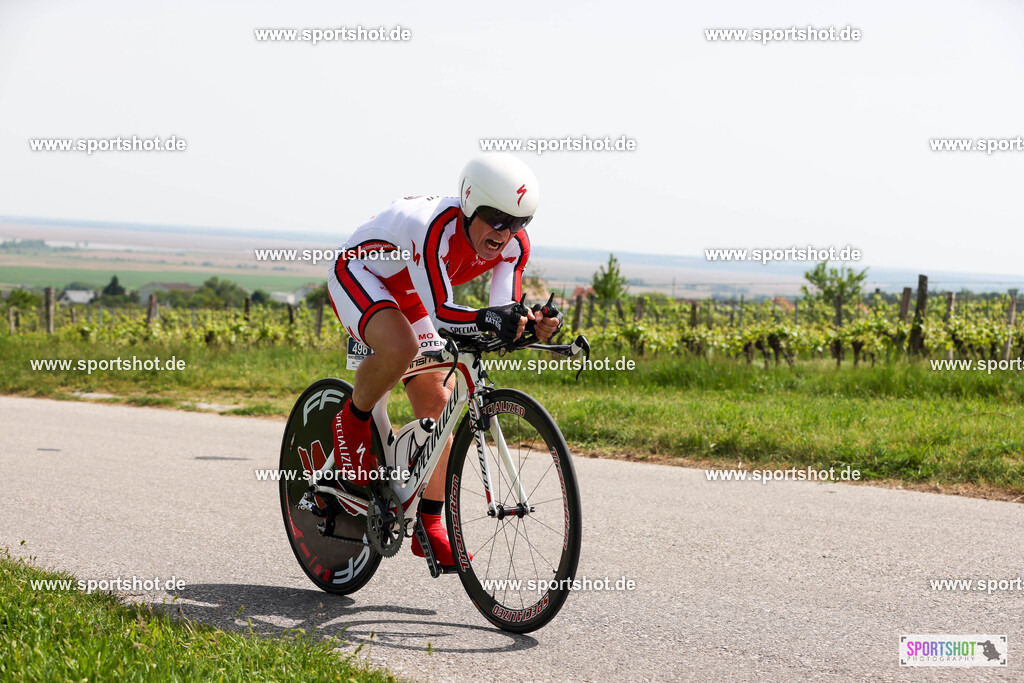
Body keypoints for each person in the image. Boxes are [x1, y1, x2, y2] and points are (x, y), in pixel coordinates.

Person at [327, 153, 561, 566]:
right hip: (362, 273)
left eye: (518, 222)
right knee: (401, 348)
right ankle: (351, 418)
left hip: (412, 290)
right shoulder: (433, 228)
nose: (504, 232)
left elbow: (500, 309)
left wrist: (528, 323)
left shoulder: (513, 246)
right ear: (470, 205)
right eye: (495, 218)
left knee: (441, 406)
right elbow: (442, 314)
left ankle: (430, 526)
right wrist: (490, 319)